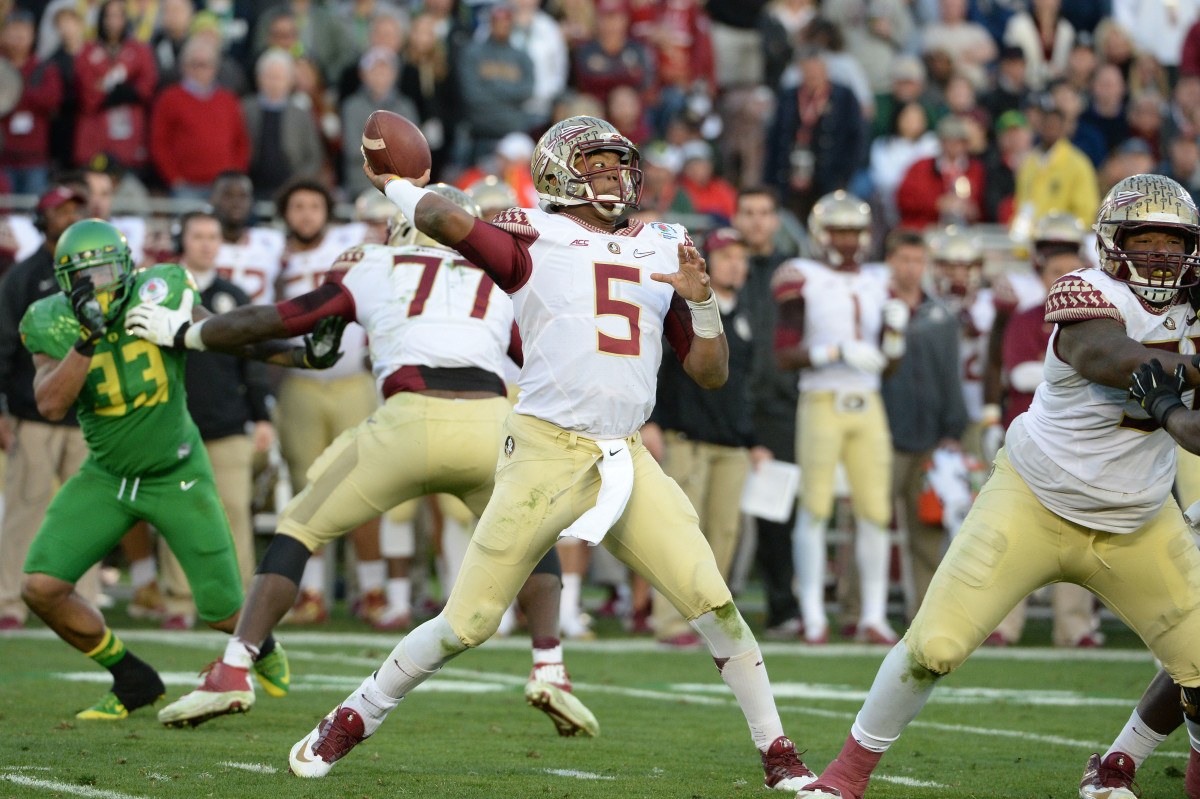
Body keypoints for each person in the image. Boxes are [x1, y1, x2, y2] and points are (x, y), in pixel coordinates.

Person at [274, 115, 816, 790]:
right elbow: (450, 223)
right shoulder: (534, 234)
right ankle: (356, 712)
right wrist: (400, 187)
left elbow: (710, 371)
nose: (616, 175)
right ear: (561, 172)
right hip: (544, 450)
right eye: (598, 163)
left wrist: (702, 302)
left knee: (715, 602)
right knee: (466, 621)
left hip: (625, 456)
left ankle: (779, 754)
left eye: (620, 163)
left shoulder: (664, 246)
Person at [132, 184, 599, 738]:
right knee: (532, 535)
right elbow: (544, 359)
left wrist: (188, 332)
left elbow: (282, 320)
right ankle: (549, 667)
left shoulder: (376, 265)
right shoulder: (497, 279)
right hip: (488, 424)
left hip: (409, 418)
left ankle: (235, 668)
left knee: (299, 528)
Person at [795, 172, 1200, 799]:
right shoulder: (1085, 291)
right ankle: (844, 776)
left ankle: (1121, 765)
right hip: (1035, 499)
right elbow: (1111, 356)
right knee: (934, 645)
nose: (1161, 255)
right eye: (1145, 239)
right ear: (1112, 242)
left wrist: (1176, 406)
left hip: (1139, 516)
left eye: (1174, 242)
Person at [16, 217, 323, 719]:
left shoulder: (159, 289)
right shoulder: (50, 319)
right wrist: (86, 341)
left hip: (176, 472)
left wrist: (296, 356)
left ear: (129, 267)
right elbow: (50, 404)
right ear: (67, 282)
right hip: (107, 476)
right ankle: (131, 676)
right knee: (42, 589)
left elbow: (224, 336)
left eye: (109, 271)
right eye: (88, 276)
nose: (102, 285)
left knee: (225, 613)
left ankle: (261, 646)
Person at [772, 191, 908, 645]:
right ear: (820, 234)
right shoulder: (802, 276)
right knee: (815, 508)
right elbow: (784, 354)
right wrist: (835, 351)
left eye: (854, 231)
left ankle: (872, 615)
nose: (847, 241)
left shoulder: (877, 280)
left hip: (868, 402)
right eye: (839, 231)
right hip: (821, 399)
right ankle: (812, 613)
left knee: (874, 511)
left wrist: (893, 336)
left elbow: (888, 365)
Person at [643, 226, 766, 648]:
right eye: (727, 255)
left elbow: (751, 384)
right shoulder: (687, 306)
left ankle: (712, 622)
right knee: (680, 532)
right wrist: (653, 420)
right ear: (708, 263)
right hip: (688, 436)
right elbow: (659, 363)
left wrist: (755, 439)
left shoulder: (750, 312)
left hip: (732, 443)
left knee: (723, 538)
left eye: (741, 256)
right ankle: (670, 622)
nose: (736, 264)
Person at [156, 210, 274, 629]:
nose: (206, 243)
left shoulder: (234, 295)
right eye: (198, 235)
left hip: (227, 422)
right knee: (177, 513)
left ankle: (237, 600)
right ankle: (179, 600)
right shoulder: (160, 291)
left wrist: (262, 416)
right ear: (181, 240)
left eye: (213, 236)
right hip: (171, 423)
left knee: (234, 512)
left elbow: (253, 361)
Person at [0, 185, 93, 630]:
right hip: (31, 411)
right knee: (26, 507)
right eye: (62, 210)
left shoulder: (98, 271)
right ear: (42, 219)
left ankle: (87, 600)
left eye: (78, 208)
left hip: (91, 415)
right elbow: (2, 345)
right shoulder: (21, 276)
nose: (71, 216)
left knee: (91, 513)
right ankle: (8, 601)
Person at [877, 228, 968, 620]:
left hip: (931, 436)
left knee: (927, 534)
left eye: (917, 260)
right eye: (904, 259)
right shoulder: (873, 305)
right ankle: (856, 612)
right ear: (890, 262)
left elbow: (951, 375)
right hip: (881, 435)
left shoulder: (941, 315)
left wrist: (953, 429)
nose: (911, 268)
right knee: (871, 524)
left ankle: (926, 616)